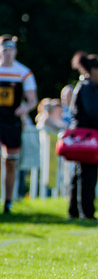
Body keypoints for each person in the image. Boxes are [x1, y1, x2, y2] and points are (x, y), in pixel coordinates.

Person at [68, 51, 98, 222]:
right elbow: (93, 113)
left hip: (85, 137)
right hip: (86, 138)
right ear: (94, 70)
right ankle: (87, 212)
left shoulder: (87, 87)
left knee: (81, 174)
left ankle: (76, 211)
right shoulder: (86, 87)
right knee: (87, 174)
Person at [0, 34, 38, 214]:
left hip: (12, 122)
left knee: (11, 162)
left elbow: (32, 100)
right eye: (4, 48)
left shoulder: (23, 72)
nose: (8, 53)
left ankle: (8, 201)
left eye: (11, 49)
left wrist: (25, 108)